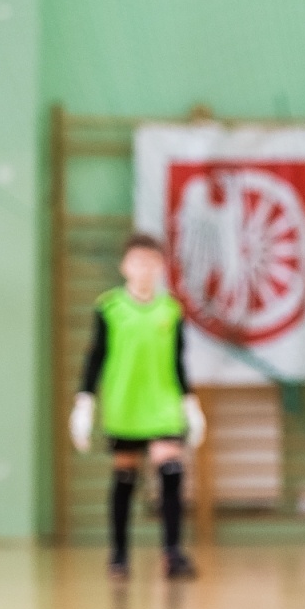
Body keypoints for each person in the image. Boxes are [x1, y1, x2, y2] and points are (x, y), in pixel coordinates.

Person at [71, 233, 205, 580]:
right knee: (125, 476)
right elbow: (95, 358)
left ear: (160, 267)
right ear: (124, 267)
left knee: (171, 469)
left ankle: (172, 552)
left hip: (162, 404)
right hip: (125, 405)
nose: (144, 268)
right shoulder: (109, 308)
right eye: (137, 261)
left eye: (151, 262)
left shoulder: (170, 310)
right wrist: (84, 402)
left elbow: (178, 361)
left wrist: (190, 403)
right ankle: (119, 554)